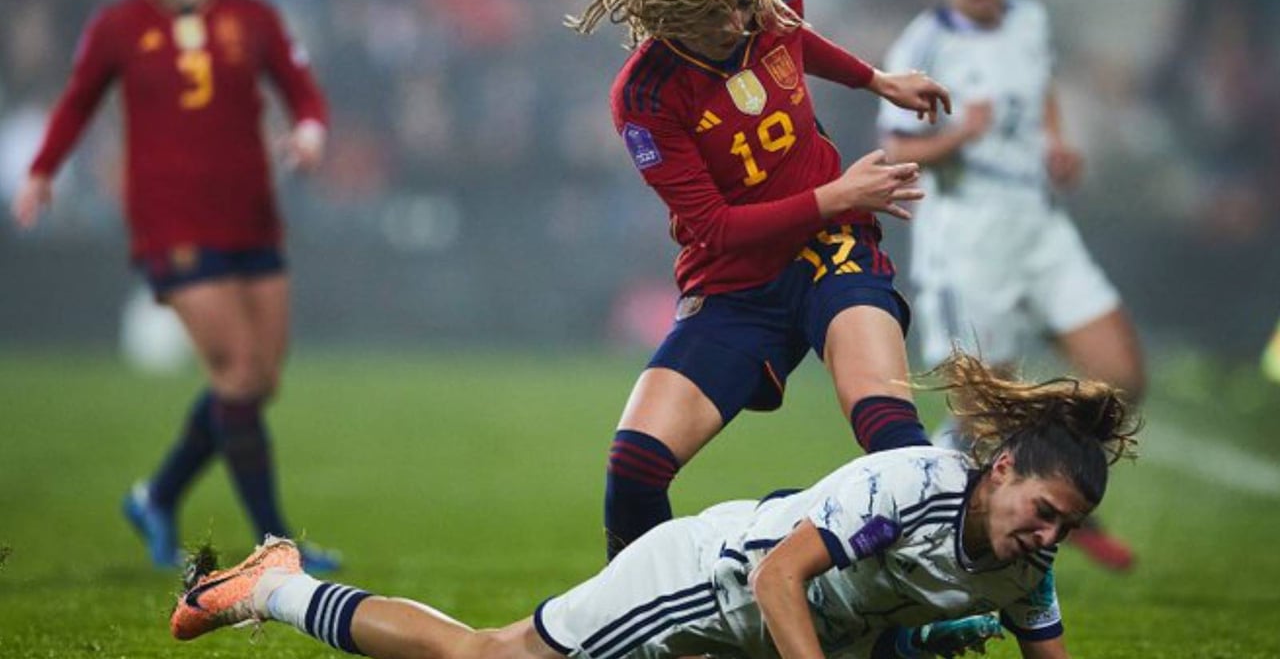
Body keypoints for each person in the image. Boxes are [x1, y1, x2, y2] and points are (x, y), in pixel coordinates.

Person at [170, 350, 1140, 659]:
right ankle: (274, 586)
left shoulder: (1027, 561)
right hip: (711, 584)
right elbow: (779, 573)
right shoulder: (912, 488)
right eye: (1041, 509)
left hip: (794, 624)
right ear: (1000, 465)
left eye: (1063, 526)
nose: (1046, 534)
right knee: (489, 657)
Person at [566, 0, 953, 561]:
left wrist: (878, 81)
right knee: (634, 466)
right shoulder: (644, 97)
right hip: (735, 281)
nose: (742, 21)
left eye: (748, 1)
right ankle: (643, 627)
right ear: (669, 10)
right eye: (719, 10)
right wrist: (837, 192)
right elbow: (716, 229)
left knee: (890, 432)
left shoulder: (766, 6)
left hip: (833, 246)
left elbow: (799, 39)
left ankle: (943, 593)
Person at [11, 0, 338, 572]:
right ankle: (276, 546)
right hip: (173, 227)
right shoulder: (120, 25)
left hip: (253, 221)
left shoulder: (254, 18)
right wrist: (43, 169)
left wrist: (309, 132)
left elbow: (303, 91)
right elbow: (79, 98)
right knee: (239, 374)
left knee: (259, 379)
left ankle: (156, 496)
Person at [877, 0, 1146, 572]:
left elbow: (1041, 85)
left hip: (1040, 223)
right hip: (969, 238)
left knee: (1120, 377)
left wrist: (1056, 143)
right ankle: (939, 529)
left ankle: (1039, 468)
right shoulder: (923, 45)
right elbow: (894, 149)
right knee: (986, 406)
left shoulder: (1029, 17)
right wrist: (961, 133)